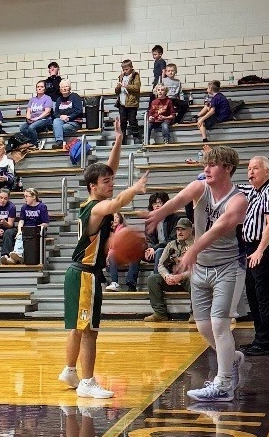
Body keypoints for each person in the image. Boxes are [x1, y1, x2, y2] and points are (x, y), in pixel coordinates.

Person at [144, 145, 247, 402]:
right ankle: (232, 359)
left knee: (220, 324)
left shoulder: (238, 200)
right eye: (205, 164)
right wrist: (158, 214)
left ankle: (224, 384)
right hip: (201, 268)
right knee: (203, 327)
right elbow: (177, 201)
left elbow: (217, 230)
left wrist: (192, 250)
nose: (206, 169)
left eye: (212, 165)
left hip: (228, 267)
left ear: (228, 168)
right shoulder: (199, 188)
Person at [59, 120, 148, 400]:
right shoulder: (97, 209)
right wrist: (136, 188)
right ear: (92, 186)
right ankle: (87, 382)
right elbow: (117, 203)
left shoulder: (90, 202)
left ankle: (70, 370)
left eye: (111, 181)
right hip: (86, 274)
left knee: (77, 328)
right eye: (106, 182)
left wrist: (119, 140)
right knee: (89, 331)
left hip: (78, 272)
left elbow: (109, 169)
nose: (111, 183)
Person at [241, 155, 269, 356]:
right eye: (249, 168)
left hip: (266, 247)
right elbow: (230, 187)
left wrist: (260, 250)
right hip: (251, 247)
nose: (250, 172)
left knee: (264, 295)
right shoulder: (253, 191)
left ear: (266, 171)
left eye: (255, 168)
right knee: (253, 293)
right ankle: (259, 338)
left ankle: (266, 342)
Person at [144, 218, 194, 322]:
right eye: (178, 229)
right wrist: (167, 276)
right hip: (173, 280)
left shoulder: (197, 244)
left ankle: (195, 314)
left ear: (190, 230)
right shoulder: (171, 245)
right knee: (153, 279)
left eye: (183, 229)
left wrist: (181, 276)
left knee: (196, 280)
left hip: (189, 279)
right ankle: (160, 313)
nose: (179, 232)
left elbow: (198, 268)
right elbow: (161, 265)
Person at [6, 188, 50, 265]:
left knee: (25, 235)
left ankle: (16, 256)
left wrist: (37, 228)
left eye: (26, 196)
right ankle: (17, 254)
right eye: (24, 196)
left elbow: (46, 223)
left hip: (37, 229)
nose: (25, 198)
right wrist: (19, 230)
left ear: (33, 197)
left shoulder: (42, 207)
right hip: (26, 229)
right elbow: (21, 221)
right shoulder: (24, 207)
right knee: (19, 235)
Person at [105, 213, 140, 292]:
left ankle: (131, 284)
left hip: (127, 254)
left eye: (117, 217)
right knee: (111, 255)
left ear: (120, 219)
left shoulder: (124, 230)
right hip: (116, 257)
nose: (115, 219)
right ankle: (114, 283)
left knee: (135, 256)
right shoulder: (109, 232)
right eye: (113, 218)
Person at [114, 60, 142, 144]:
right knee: (123, 122)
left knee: (132, 121)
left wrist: (126, 86)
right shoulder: (121, 76)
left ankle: (136, 137)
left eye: (127, 69)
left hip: (132, 103)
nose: (125, 71)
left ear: (131, 67)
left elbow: (137, 88)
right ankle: (122, 140)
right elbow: (117, 92)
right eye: (123, 70)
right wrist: (118, 87)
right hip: (122, 102)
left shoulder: (135, 75)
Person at [18, 81, 55, 146]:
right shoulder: (32, 99)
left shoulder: (47, 98)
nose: (39, 88)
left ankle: (35, 144)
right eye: (38, 87)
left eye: (41, 87)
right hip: (33, 119)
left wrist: (37, 118)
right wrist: (28, 118)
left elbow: (47, 112)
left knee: (31, 128)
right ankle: (34, 141)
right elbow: (28, 110)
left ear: (45, 89)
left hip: (44, 119)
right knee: (22, 128)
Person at [51, 80, 84, 149]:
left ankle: (62, 142)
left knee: (60, 128)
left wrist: (69, 117)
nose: (64, 88)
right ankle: (59, 142)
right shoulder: (59, 99)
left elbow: (79, 111)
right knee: (56, 121)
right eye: (62, 87)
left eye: (66, 86)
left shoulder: (75, 96)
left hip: (74, 122)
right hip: (62, 121)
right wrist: (61, 116)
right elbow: (55, 114)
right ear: (60, 89)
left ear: (70, 88)